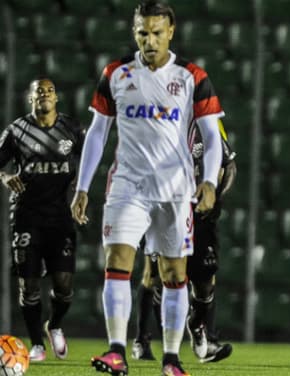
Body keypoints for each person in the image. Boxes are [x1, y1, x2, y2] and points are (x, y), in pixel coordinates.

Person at [70, 1, 224, 375]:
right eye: (143, 32)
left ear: (171, 31)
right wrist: (82, 186)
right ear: (134, 31)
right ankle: (116, 352)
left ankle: (171, 360)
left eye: (156, 32)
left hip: (175, 190)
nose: (149, 40)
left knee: (173, 274)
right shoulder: (116, 73)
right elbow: (97, 133)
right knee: (117, 261)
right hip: (128, 186)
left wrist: (209, 180)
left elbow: (211, 136)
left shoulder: (192, 77)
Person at [131, 123, 236, 363]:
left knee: (205, 281)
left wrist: (217, 197)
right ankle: (143, 339)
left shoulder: (207, 126)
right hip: (162, 213)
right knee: (154, 277)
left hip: (199, 215)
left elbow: (229, 165)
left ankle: (199, 328)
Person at [0, 78, 85, 362]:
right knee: (29, 284)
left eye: (49, 91)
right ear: (30, 98)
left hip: (60, 215)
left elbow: (89, 161)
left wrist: (80, 195)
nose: (44, 95)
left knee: (64, 284)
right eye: (39, 91)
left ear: (56, 98)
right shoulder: (16, 131)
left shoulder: (71, 129)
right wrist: (6, 176)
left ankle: (55, 324)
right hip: (26, 215)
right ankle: (37, 343)